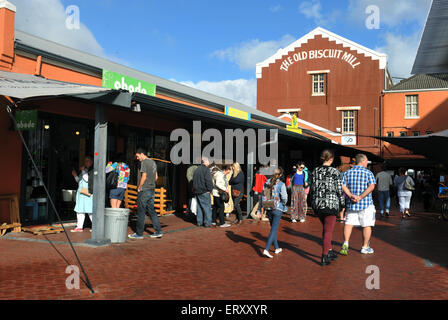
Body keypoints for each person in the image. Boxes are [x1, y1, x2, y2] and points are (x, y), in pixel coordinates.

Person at [311, 150, 345, 266]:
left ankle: (329, 251)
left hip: (318, 203)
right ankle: (324, 255)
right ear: (331, 159)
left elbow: (313, 188)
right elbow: (339, 189)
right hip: (331, 203)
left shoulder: (315, 171)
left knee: (326, 229)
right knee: (328, 230)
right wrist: (342, 204)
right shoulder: (334, 171)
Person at [340, 154, 376, 255]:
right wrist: (361, 197)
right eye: (367, 161)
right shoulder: (368, 172)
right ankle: (365, 247)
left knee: (349, 223)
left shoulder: (348, 172)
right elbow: (372, 186)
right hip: (366, 203)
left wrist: (351, 195)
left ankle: (346, 242)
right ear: (363, 161)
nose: (367, 163)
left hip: (352, 203)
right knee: (367, 225)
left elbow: (343, 186)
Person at [128, 148, 162, 239]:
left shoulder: (144, 162)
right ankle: (158, 231)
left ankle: (139, 233)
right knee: (152, 211)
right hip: (151, 189)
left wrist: (140, 187)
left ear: (142, 154)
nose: (137, 158)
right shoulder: (153, 162)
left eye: (138, 156)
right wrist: (151, 183)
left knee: (141, 212)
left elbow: (144, 176)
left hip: (144, 190)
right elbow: (156, 177)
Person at [259, 167, 288, 258]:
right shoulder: (281, 184)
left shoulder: (267, 182)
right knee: (273, 230)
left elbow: (262, 196)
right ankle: (266, 249)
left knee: (273, 229)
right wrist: (283, 204)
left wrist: (259, 208)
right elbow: (284, 197)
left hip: (269, 207)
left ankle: (276, 248)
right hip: (277, 208)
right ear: (280, 175)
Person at [71, 156, 94, 232]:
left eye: (87, 161)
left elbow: (87, 180)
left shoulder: (92, 170)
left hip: (87, 193)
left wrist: (83, 171)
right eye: (85, 161)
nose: (86, 163)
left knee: (90, 211)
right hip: (81, 194)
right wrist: (75, 175)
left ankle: (95, 226)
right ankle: (79, 226)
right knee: (80, 210)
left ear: (91, 162)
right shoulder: (84, 171)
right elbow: (79, 180)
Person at [192, 157, 214, 227]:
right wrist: (210, 190)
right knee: (207, 207)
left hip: (197, 191)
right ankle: (208, 223)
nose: (209, 163)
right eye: (208, 162)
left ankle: (199, 222)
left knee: (199, 207)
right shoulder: (206, 170)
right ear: (206, 162)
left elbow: (194, 181)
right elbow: (209, 181)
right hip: (204, 191)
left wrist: (195, 189)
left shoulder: (196, 170)